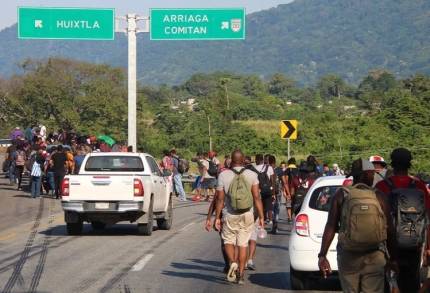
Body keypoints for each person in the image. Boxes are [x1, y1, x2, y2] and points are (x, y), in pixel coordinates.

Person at [318, 158, 398, 293]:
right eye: (372, 173)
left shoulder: (341, 194)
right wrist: (393, 259)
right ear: (365, 174)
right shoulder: (378, 196)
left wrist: (322, 255)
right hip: (375, 257)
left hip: (348, 257)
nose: (373, 176)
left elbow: (331, 226)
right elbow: (389, 229)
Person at [375, 148, 430, 292]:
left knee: (389, 284)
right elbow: (428, 218)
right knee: (411, 284)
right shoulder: (420, 186)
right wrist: (428, 248)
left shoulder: (381, 187)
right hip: (414, 245)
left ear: (392, 164)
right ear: (409, 164)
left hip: (388, 247)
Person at [215, 150, 265, 285]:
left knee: (228, 241)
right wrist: (261, 216)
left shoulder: (223, 175)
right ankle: (241, 275)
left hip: (230, 214)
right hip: (247, 214)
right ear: (243, 160)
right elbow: (256, 197)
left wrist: (217, 218)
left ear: (231, 160)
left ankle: (232, 262)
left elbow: (219, 199)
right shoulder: (252, 174)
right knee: (243, 244)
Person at [251, 154, 275, 225]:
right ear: (263, 159)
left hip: (258, 190)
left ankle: (262, 218)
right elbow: (272, 181)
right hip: (268, 189)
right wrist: (273, 192)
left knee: (260, 204)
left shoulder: (254, 168)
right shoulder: (269, 167)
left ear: (256, 160)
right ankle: (270, 219)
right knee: (269, 205)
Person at [284, 157, 299, 223]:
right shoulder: (298, 169)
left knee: (288, 203)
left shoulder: (287, 170)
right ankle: (295, 216)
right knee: (295, 202)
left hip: (289, 188)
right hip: (297, 189)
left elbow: (286, 181)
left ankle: (289, 217)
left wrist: (285, 190)